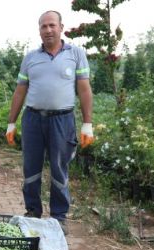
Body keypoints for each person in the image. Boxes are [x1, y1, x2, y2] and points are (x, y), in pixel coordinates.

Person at [5, 10, 94, 235]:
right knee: (31, 168)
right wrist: (11, 123)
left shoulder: (76, 55)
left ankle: (58, 217)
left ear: (61, 27)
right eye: (43, 26)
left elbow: (84, 90)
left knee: (59, 169)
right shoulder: (30, 58)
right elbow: (19, 92)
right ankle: (33, 211)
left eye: (52, 25)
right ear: (39, 31)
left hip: (62, 120)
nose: (48, 30)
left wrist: (87, 124)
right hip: (33, 119)